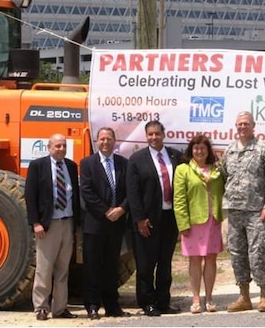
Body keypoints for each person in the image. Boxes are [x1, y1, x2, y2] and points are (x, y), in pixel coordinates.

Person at [219, 111, 265, 313]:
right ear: (235, 127)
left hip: (256, 211)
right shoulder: (230, 151)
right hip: (234, 211)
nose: (242, 127)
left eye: (246, 124)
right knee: (237, 254)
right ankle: (244, 297)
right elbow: (223, 176)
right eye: (239, 124)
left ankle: (264, 296)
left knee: (259, 253)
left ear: (253, 126)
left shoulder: (264, 149)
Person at [126, 120, 183, 316]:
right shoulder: (136, 159)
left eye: (157, 134)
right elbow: (132, 193)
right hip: (147, 220)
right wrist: (140, 219)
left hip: (170, 218)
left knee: (165, 263)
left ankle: (163, 301)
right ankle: (147, 302)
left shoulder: (175, 156)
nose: (153, 137)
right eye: (150, 134)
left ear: (163, 134)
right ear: (146, 136)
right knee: (146, 264)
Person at [24, 133, 81, 321]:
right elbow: (30, 196)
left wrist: (76, 225)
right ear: (49, 147)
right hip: (48, 225)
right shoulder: (37, 166)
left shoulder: (71, 167)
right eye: (57, 146)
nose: (61, 149)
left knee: (63, 268)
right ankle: (41, 307)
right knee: (44, 268)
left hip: (67, 222)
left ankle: (60, 308)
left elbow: (76, 195)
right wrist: (36, 223)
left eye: (64, 146)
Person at [79, 127, 131, 320]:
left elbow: (129, 191)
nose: (105, 142)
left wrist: (122, 209)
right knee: (92, 266)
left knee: (111, 266)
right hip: (95, 223)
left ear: (114, 141)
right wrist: (105, 211)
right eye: (102, 139)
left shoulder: (123, 163)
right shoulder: (87, 164)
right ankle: (92, 306)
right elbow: (87, 192)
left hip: (116, 224)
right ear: (97, 141)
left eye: (109, 139)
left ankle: (112, 305)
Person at [172, 134, 225, 314]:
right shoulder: (182, 170)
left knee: (211, 259)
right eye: (196, 148)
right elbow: (179, 199)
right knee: (195, 260)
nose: (199, 151)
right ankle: (196, 299)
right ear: (191, 150)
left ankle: (209, 298)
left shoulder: (217, 170)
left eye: (203, 148)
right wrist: (183, 224)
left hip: (213, 221)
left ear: (208, 151)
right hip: (193, 222)